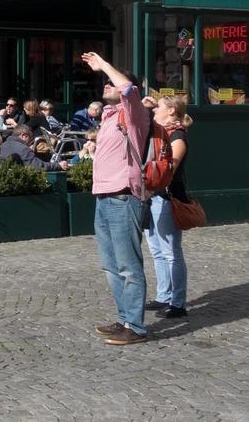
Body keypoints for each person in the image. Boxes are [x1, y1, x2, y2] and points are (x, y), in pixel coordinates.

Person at [83, 50, 152, 346]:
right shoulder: (110, 116)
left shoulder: (133, 112)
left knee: (128, 265)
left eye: (109, 82)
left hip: (124, 197)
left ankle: (135, 326)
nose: (105, 85)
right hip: (103, 197)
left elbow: (127, 89)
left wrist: (105, 66)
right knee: (111, 266)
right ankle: (124, 318)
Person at [144, 94, 192, 318]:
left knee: (171, 251)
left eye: (159, 107)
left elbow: (170, 168)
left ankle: (178, 303)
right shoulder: (160, 133)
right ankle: (164, 295)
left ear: (172, 110)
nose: (155, 111)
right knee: (156, 250)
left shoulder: (177, 135)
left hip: (167, 197)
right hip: (153, 196)